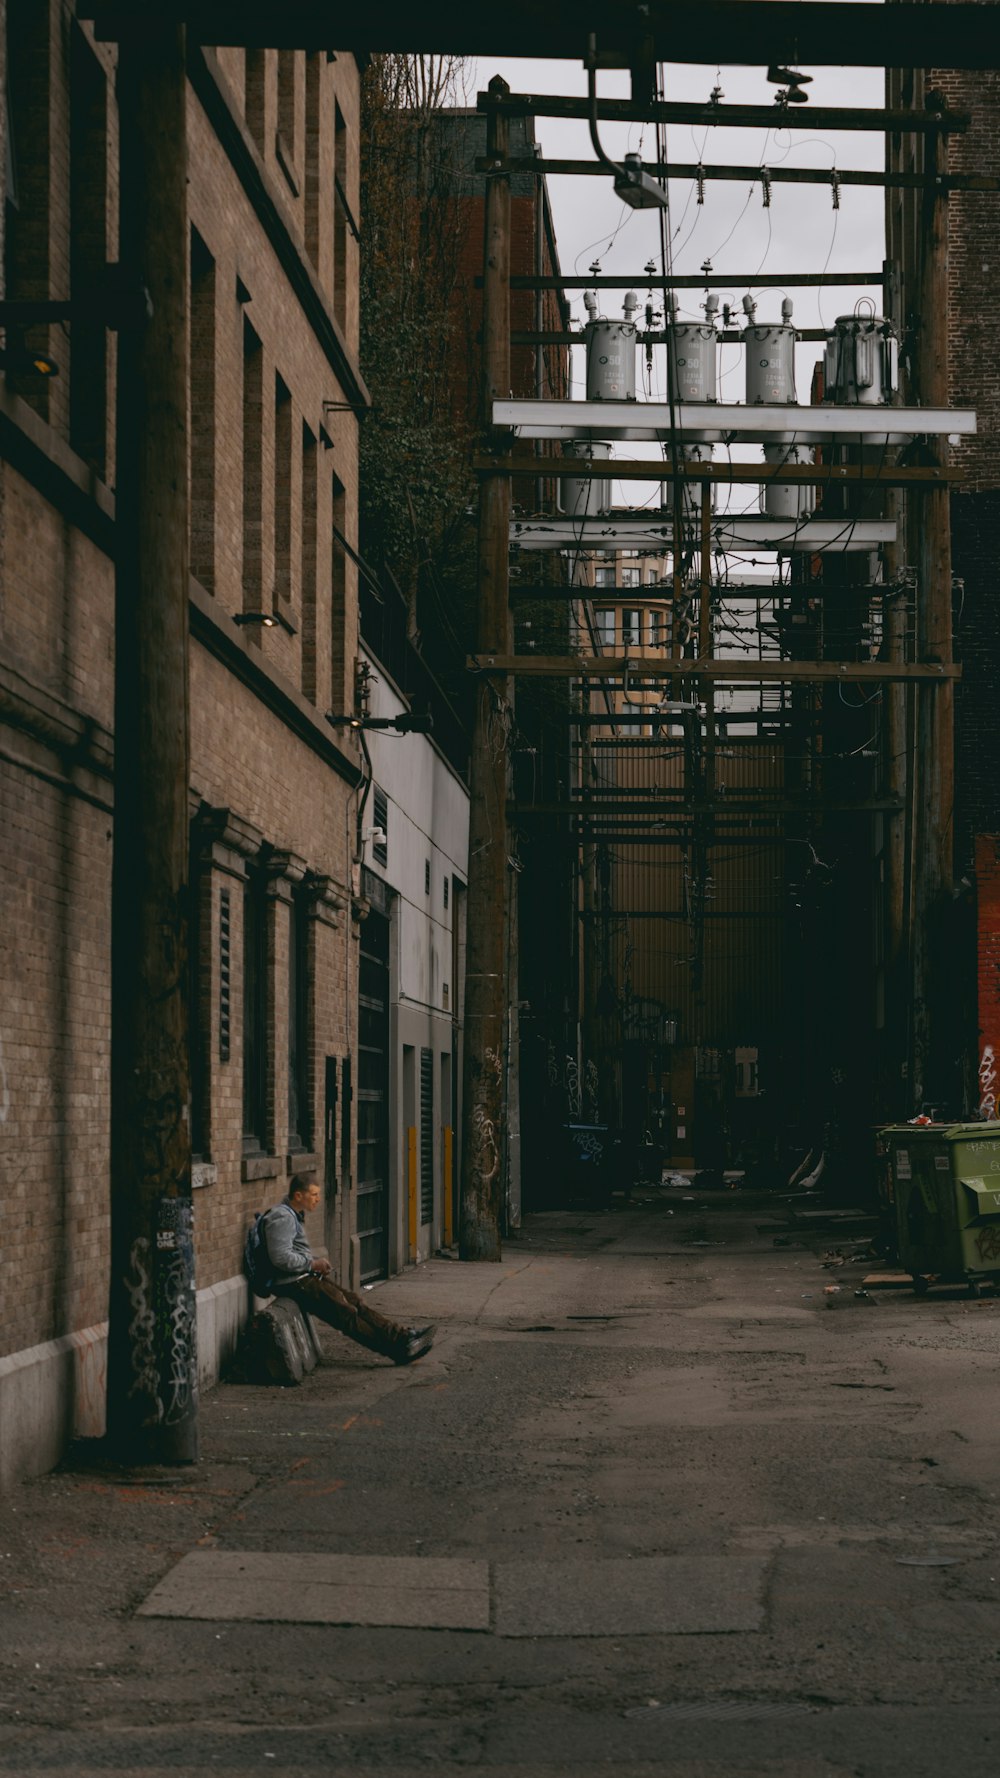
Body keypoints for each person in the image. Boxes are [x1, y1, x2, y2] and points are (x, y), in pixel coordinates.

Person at [261, 1179, 435, 1364]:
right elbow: (280, 1258)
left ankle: (402, 1336)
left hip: (303, 1278)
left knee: (355, 1302)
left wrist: (312, 1265)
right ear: (298, 1195)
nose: (318, 1199)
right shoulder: (282, 1217)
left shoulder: (292, 1215)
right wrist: (312, 1264)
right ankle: (397, 1350)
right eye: (313, 1194)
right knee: (346, 1313)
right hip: (294, 1284)